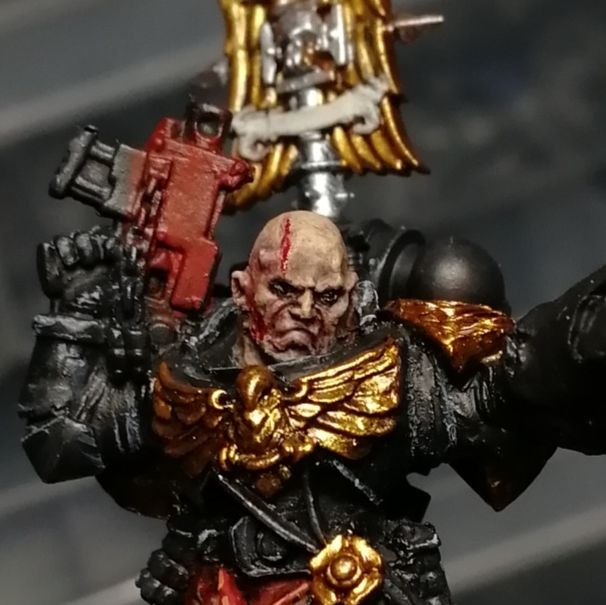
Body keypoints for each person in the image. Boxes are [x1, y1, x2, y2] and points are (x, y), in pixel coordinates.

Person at [19, 210, 606, 605]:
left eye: (325, 297)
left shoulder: (391, 372)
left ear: (353, 299)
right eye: (283, 290)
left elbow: (493, 402)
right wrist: (78, 308)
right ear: (243, 289)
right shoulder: (182, 379)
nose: (303, 312)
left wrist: (577, 346)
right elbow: (61, 440)